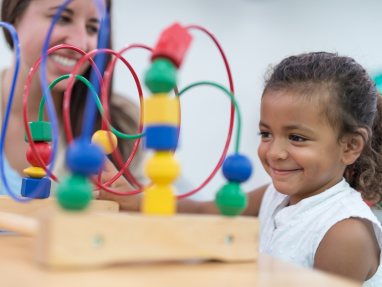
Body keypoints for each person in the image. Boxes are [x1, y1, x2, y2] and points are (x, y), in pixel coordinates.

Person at [95, 52, 382, 285]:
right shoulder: (273, 195)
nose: (274, 152)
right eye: (266, 134)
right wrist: (133, 197)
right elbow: (205, 211)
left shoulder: (344, 233)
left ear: (350, 146)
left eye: (297, 138)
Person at [0, 0, 143, 195]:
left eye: (92, 28)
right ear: (15, 16)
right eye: (62, 18)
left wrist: (130, 203)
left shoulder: (123, 124)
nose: (80, 43)